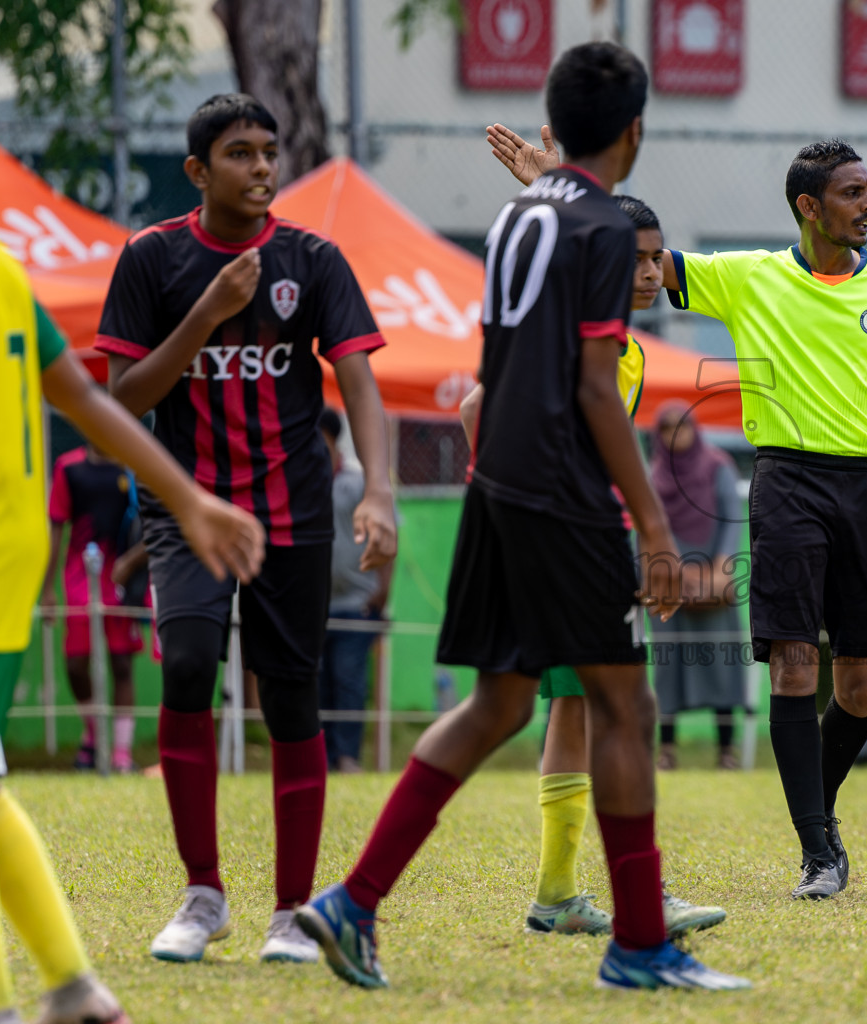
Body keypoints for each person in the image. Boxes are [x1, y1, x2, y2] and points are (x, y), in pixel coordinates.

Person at [296, 43, 748, 993]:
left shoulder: (517, 218)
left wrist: (556, 178)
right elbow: (593, 387)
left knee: (500, 702)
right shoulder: (598, 228)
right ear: (635, 130)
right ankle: (637, 946)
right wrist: (655, 533)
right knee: (627, 702)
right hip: (562, 495)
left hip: (494, 487)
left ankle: (352, 903)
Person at [486, 132, 867, 900]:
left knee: (860, 684)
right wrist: (562, 189)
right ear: (810, 206)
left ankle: (818, 817)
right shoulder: (746, 277)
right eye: (854, 194)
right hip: (788, 482)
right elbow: (633, 255)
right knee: (795, 665)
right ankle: (816, 851)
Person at [95, 93, 398, 965]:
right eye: (240, 153)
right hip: (186, 507)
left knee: (292, 698)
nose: (263, 167)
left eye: (269, 152)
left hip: (295, 511)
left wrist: (377, 490)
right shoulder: (152, 259)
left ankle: (291, 913)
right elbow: (123, 401)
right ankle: (202, 896)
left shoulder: (316, 259)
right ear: (198, 171)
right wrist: (206, 314)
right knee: (189, 667)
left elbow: (359, 386)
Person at [0, 230, 263, 1023]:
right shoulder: (1, 266)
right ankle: (74, 989)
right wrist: (188, 496)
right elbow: (83, 395)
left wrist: (186, 500)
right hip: (11, 554)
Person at [458, 190, 725, 939]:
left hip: (570, 539)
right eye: (633, 257)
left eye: (654, 258)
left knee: (570, 710)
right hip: (568, 542)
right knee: (616, 711)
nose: (649, 272)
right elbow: (476, 409)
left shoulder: (625, 346)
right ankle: (638, 897)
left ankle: (558, 895)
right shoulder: (583, 339)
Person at [649, 400, 747, 772]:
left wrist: (720, 566)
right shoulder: (653, 475)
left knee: (721, 663)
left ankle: (726, 751)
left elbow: (730, 517)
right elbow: (648, 526)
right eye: (667, 428)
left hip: (714, 582)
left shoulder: (716, 465)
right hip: (669, 581)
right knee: (669, 665)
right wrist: (672, 571)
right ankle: (667, 750)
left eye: (683, 425)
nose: (677, 434)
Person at [42, 444, 145, 772]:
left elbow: (155, 523)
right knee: (75, 664)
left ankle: (121, 755)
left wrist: (131, 567)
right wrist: (47, 589)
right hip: (79, 581)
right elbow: (56, 526)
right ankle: (94, 735)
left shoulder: (135, 464)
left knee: (122, 664)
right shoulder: (69, 467)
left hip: (122, 578)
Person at [317, 408, 395, 774]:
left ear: (333, 440)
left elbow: (385, 533)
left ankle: (347, 756)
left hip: (356, 603)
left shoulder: (357, 483)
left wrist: (383, 590)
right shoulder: (302, 482)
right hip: (315, 603)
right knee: (317, 683)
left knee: (348, 680)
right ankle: (320, 756)